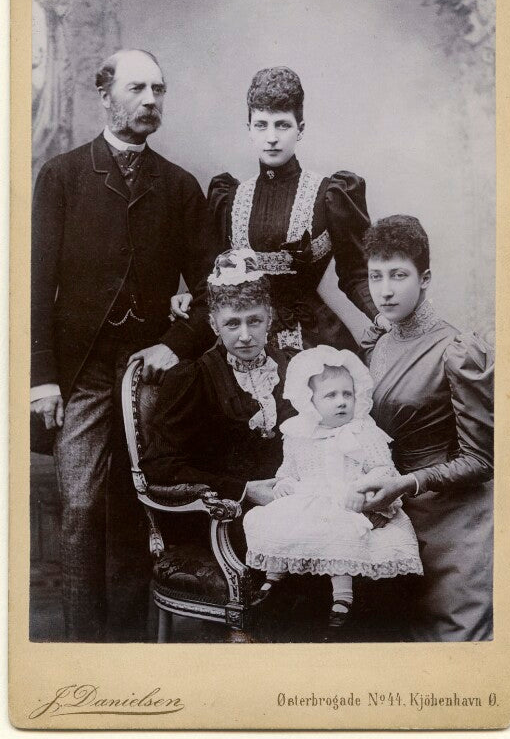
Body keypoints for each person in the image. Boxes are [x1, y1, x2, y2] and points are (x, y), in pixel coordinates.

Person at [30, 48, 214, 641]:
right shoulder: (61, 176)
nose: (151, 101)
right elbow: (34, 283)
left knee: (140, 506)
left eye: (159, 90)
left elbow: (215, 284)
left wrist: (176, 342)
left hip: (147, 372)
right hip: (80, 367)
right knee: (80, 510)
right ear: (104, 95)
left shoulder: (181, 186)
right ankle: (82, 653)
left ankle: (133, 648)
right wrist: (41, 377)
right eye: (138, 88)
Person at [171, 66, 378, 352]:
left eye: (282, 125)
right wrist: (189, 297)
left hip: (314, 336)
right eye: (261, 125)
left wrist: (382, 315)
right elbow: (213, 275)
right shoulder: (229, 198)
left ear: (300, 130)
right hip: (245, 340)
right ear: (249, 130)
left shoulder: (329, 194)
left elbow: (357, 273)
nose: (271, 137)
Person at [357, 214, 494, 641]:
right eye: (376, 276)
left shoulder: (456, 350)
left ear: (425, 278)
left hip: (454, 525)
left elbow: (481, 460)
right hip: (397, 520)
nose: (385, 289)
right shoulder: (379, 345)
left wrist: (408, 483)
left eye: (399, 275)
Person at [243, 345, 423, 630]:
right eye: (331, 395)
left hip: (349, 500)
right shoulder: (298, 434)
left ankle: (342, 598)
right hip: (310, 498)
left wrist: (362, 488)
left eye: (347, 394)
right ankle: (273, 578)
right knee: (278, 517)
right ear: (310, 401)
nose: (341, 402)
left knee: (340, 530)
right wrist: (285, 485)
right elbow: (288, 471)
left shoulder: (365, 431)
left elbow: (384, 469)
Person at [141, 249, 296, 507]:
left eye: (254, 321)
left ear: (269, 319)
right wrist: (243, 490)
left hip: (294, 499)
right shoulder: (195, 379)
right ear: (214, 325)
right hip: (227, 511)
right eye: (232, 324)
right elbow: (159, 466)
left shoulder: (291, 366)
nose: (245, 335)